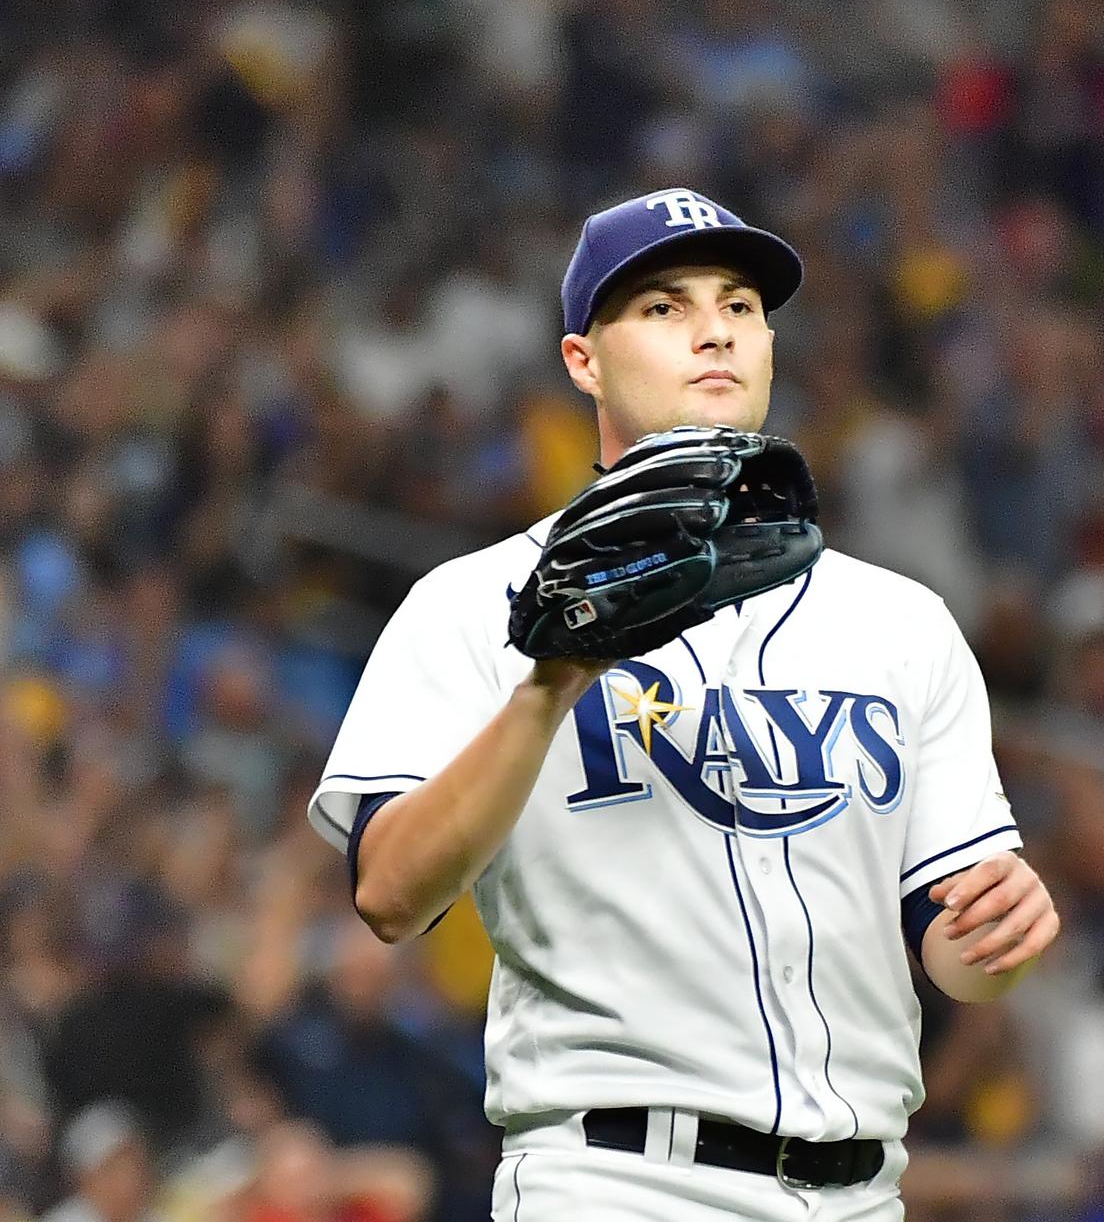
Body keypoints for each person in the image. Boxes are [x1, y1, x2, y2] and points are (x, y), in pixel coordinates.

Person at [306, 188, 1061, 1220]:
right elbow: (389, 892)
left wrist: (994, 937)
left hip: (866, 1191)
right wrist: (552, 681)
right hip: (619, 1179)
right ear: (584, 359)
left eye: (740, 305)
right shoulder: (472, 604)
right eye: (663, 307)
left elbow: (950, 942)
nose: (714, 328)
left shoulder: (903, 624)